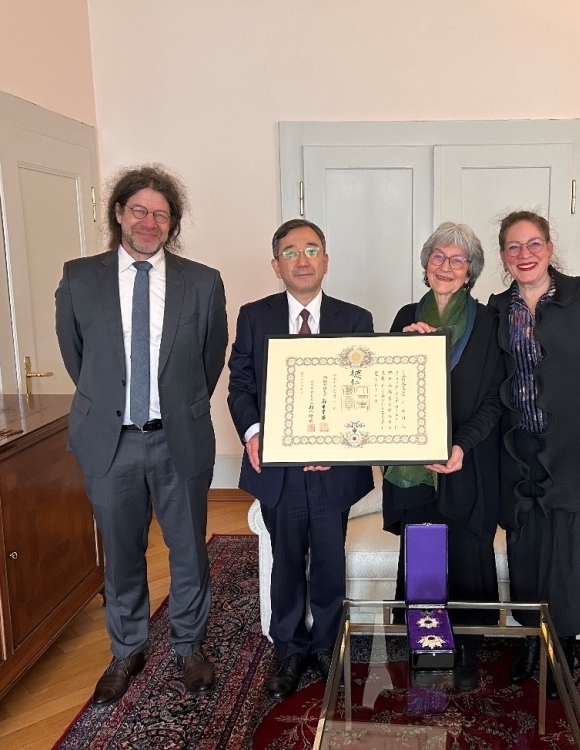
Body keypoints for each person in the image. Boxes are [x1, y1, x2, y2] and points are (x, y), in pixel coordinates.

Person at [55, 164, 228, 705]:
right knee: (122, 550)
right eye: (139, 210)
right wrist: (110, 404)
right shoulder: (80, 278)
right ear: (118, 214)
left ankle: (189, 646)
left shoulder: (202, 281)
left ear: (172, 223)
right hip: (112, 443)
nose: (149, 222)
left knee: (188, 549)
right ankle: (126, 649)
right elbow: (77, 357)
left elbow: (210, 358)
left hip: (180, 438)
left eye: (161, 214)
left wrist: (179, 406)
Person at [227, 219, 374, 700]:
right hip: (279, 469)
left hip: (335, 470)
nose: (303, 259)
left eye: (312, 250)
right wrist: (254, 433)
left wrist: (337, 445)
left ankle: (328, 644)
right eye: (290, 252)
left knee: (330, 558)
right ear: (276, 266)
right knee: (286, 560)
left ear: (326, 260)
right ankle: (289, 649)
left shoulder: (356, 320)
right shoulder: (254, 316)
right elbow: (241, 385)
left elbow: (364, 395)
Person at [488, 210, 580, 693]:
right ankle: (532, 637)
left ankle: (562, 645)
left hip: (575, 448)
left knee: (569, 550)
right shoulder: (498, 308)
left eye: (533, 244)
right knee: (526, 545)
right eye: (513, 246)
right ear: (503, 255)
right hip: (520, 448)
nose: (524, 254)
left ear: (549, 248)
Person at [383, 222, 504, 691]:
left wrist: (461, 445)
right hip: (415, 469)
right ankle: (429, 647)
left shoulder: (488, 322)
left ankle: (468, 649)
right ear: (426, 264)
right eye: (438, 256)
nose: (447, 266)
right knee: (425, 556)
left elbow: (495, 398)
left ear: (471, 271)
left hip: (468, 461)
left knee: (469, 555)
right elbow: (385, 390)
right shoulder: (405, 316)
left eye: (458, 260)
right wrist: (405, 348)